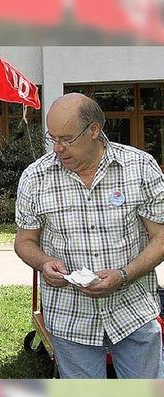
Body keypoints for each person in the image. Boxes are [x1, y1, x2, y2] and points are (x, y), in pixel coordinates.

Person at [14, 93, 164, 378]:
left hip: (133, 310)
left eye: (67, 139)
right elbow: (24, 241)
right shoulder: (35, 177)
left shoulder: (140, 168)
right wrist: (43, 262)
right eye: (52, 138)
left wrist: (124, 274)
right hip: (71, 317)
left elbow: (161, 237)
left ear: (94, 130)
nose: (57, 148)